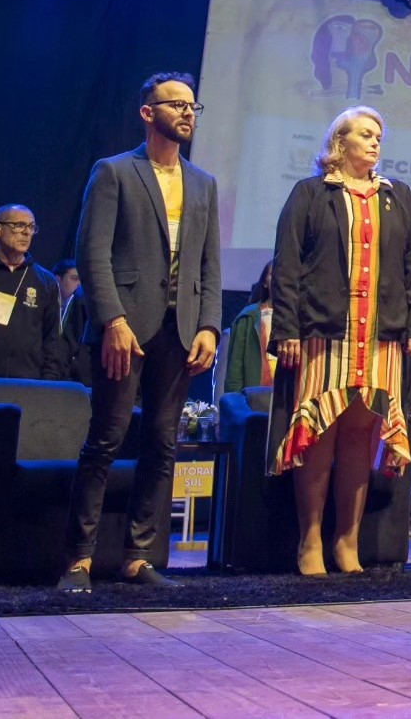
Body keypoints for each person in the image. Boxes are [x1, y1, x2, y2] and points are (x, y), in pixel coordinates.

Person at [59, 73, 222, 593]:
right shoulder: (114, 172)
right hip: (125, 329)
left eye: (192, 105)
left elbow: (210, 266)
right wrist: (112, 320)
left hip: (180, 329)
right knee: (105, 440)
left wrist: (210, 327)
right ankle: (79, 559)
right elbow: (92, 254)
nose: (187, 113)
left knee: (162, 443)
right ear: (147, 113)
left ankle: (137, 555)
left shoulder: (203, 183)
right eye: (175, 104)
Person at [268, 105, 411, 576]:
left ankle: (347, 541)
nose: (376, 141)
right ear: (340, 142)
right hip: (326, 333)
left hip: (381, 338)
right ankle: (311, 539)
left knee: (362, 436)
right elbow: (288, 265)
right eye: (365, 133)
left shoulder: (396, 197)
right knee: (319, 434)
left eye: (379, 134)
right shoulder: (310, 194)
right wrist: (287, 330)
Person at [0, 205, 64, 380]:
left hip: (27, 382)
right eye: (19, 225)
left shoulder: (45, 281)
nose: (27, 232)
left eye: (31, 227)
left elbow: (52, 339)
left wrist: (49, 381)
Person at [224, 262, 275, 394]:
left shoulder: (302, 319)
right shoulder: (248, 317)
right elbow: (235, 370)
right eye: (273, 274)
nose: (279, 278)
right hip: (256, 398)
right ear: (264, 282)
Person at [55, 258, 91, 384]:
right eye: (74, 279)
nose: (79, 284)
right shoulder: (45, 308)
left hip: (73, 379)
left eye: (82, 280)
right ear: (58, 280)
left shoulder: (82, 306)